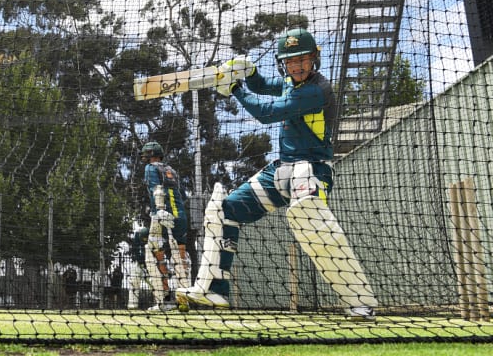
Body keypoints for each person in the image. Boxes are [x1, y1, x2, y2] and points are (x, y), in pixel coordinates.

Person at [175, 28, 378, 320]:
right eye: (290, 61)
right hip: (282, 170)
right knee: (225, 209)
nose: (296, 66)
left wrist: (234, 89)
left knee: (310, 218)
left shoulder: (316, 90)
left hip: (312, 171)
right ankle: (214, 289)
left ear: (314, 59)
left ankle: (360, 302)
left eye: (302, 59)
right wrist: (249, 71)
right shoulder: (290, 83)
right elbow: (264, 86)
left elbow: (266, 112)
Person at [140, 141, 190, 312]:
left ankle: (164, 300)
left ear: (150, 155)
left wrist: (160, 209)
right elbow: (181, 194)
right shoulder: (171, 170)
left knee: (155, 255)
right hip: (181, 216)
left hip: (162, 217)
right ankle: (184, 299)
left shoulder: (151, 168)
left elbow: (156, 189)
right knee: (180, 257)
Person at [127, 227, 149, 309]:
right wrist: (139, 261)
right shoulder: (136, 238)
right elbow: (135, 251)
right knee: (134, 282)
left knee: (154, 282)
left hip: (149, 264)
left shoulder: (150, 237)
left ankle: (160, 303)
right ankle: (132, 304)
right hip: (138, 264)